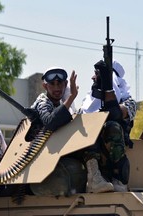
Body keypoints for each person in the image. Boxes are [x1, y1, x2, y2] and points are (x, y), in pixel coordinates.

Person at [78, 59, 137, 193]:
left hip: (113, 155)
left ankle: (119, 180)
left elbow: (116, 114)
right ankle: (94, 178)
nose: (93, 77)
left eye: (98, 74)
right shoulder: (88, 103)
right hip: (92, 155)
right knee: (85, 124)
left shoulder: (129, 102)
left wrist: (108, 87)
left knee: (112, 125)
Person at [28, 66, 88, 196]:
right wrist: (71, 97)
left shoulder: (60, 103)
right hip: (36, 159)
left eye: (60, 83)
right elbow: (50, 122)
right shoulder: (43, 101)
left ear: (65, 84)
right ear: (45, 86)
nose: (56, 88)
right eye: (52, 84)